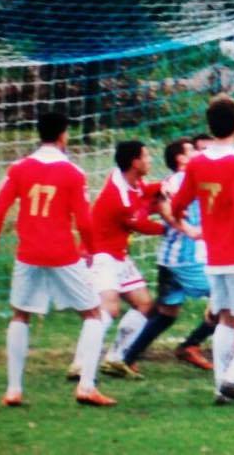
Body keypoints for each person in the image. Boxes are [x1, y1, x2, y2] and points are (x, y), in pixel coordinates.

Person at [0, 112, 114, 407]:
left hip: (28, 253)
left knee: (20, 315)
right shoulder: (73, 173)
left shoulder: (19, 168)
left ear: (39, 134)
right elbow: (84, 220)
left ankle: (14, 390)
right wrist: (90, 249)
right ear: (64, 135)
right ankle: (86, 387)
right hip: (62, 254)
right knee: (93, 314)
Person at [171, 94, 234, 405]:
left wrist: (187, 228)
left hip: (213, 255)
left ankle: (221, 388)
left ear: (210, 126)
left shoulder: (197, 162)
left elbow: (177, 204)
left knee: (228, 318)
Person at [119, 137, 217, 372]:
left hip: (169, 258)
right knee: (229, 299)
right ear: (180, 158)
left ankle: (127, 359)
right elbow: (166, 207)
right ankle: (191, 345)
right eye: (192, 150)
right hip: (187, 258)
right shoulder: (183, 179)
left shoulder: (173, 181)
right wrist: (187, 228)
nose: (198, 153)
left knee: (166, 314)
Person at [78, 140, 166, 380]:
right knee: (108, 308)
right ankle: (80, 363)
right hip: (100, 255)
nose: (150, 160)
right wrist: (169, 228)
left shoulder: (130, 181)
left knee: (145, 305)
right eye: (146, 156)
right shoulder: (119, 197)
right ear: (135, 162)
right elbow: (139, 223)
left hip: (118, 254)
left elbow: (145, 193)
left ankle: (115, 358)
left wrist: (166, 185)